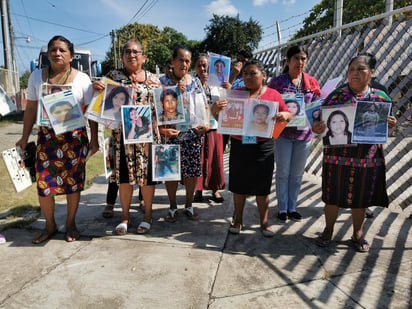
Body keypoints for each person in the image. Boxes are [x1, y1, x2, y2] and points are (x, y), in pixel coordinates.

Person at [16, 35, 99, 244]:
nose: (57, 53)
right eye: (53, 49)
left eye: (62, 50)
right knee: (44, 184)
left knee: (73, 184)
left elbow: (91, 111)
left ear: (71, 56)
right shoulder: (37, 77)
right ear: (47, 54)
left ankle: (71, 224)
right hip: (47, 139)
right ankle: (50, 225)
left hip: (75, 139)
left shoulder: (82, 79)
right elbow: (31, 108)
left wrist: (94, 139)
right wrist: (24, 137)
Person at [312, 54, 397, 252]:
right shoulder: (336, 96)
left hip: (366, 158)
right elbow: (319, 122)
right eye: (351, 70)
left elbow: (388, 126)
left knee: (361, 197)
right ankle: (328, 230)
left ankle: (357, 234)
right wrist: (317, 127)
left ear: (372, 73)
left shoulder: (381, 98)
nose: (355, 74)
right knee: (332, 196)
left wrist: (390, 125)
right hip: (337, 157)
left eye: (361, 69)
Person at [212, 59, 291, 237]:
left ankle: (264, 223)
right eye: (245, 73)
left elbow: (288, 114)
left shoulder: (273, 95)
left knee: (262, 188)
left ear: (263, 76)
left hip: (264, 147)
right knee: (239, 186)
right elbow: (222, 121)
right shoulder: (235, 94)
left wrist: (284, 114)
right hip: (240, 146)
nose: (248, 76)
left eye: (253, 73)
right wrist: (215, 110)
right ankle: (238, 219)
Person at [93, 39, 161, 235]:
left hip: (147, 138)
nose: (131, 55)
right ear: (122, 57)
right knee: (124, 177)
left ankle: (147, 216)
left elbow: (162, 110)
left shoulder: (154, 80)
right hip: (122, 136)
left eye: (135, 52)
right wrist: (96, 90)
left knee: (147, 179)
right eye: (127, 52)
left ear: (143, 57)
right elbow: (100, 105)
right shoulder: (113, 77)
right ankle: (124, 217)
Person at [268, 45, 321, 222]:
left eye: (303, 58)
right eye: (296, 58)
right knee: (283, 172)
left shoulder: (311, 83)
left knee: (297, 174)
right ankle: (282, 208)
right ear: (288, 61)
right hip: (283, 135)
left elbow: (317, 108)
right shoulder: (277, 82)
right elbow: (268, 103)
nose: (300, 62)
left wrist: (318, 120)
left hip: (304, 136)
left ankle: (292, 207)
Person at [158, 45, 209, 222]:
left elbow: (205, 104)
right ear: (172, 61)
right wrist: (161, 130)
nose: (185, 64)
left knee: (192, 172)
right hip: (169, 135)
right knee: (169, 171)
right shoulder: (161, 82)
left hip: (192, 133)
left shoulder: (194, 82)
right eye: (181, 60)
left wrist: (207, 123)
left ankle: (188, 204)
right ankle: (172, 206)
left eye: (188, 61)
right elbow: (153, 110)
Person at [193, 54, 225, 203]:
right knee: (198, 159)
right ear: (195, 68)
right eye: (199, 65)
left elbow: (226, 103)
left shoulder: (218, 85)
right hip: (198, 127)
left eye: (205, 65)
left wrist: (228, 88)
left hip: (214, 126)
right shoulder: (191, 85)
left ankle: (215, 190)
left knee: (215, 158)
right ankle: (198, 190)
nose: (202, 68)